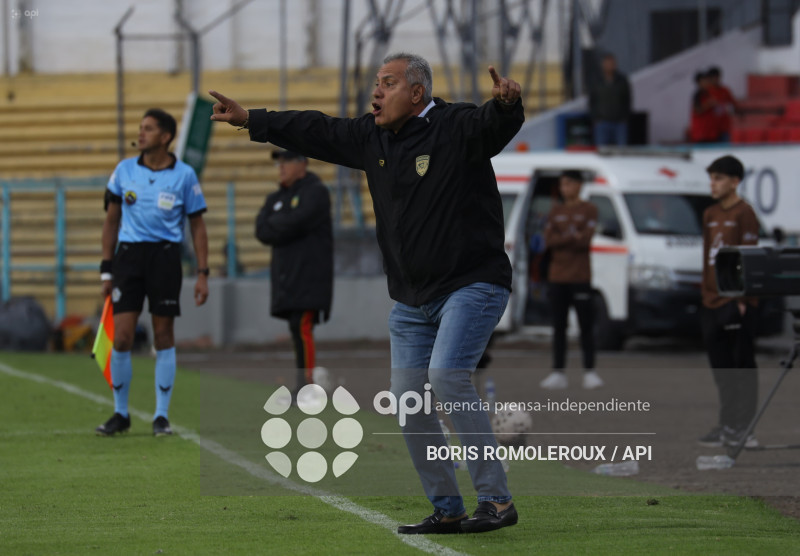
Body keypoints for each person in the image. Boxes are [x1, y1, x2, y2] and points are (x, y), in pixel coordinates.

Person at [209, 52, 522, 534]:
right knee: (407, 400)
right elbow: (316, 129)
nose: (376, 91)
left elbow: (492, 126)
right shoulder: (371, 137)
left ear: (416, 93)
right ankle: (448, 507)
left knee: (446, 377)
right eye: (377, 82)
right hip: (412, 301)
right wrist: (252, 119)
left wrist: (505, 105)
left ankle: (497, 501)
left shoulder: (455, 125)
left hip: (471, 284)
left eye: (388, 82)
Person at [96, 108, 209, 437]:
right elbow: (111, 222)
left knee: (163, 336)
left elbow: (198, 226)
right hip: (129, 258)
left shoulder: (184, 175)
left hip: (164, 257)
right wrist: (106, 270)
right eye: (140, 128)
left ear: (166, 136)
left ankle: (161, 416)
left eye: (148, 128)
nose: (141, 133)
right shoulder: (124, 170)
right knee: (122, 337)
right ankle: (120, 413)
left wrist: (203, 273)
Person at [255, 149, 333, 398]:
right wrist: (284, 222)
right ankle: (303, 383)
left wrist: (278, 222)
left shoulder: (316, 192)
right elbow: (261, 230)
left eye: (286, 161)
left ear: (302, 163)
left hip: (309, 276)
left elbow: (297, 221)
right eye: (279, 162)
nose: (281, 166)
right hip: (286, 276)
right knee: (296, 327)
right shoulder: (276, 197)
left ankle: (306, 386)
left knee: (301, 326)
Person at [697, 155, 759, 449]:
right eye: (711, 178)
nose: (713, 184)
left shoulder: (745, 213)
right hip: (711, 300)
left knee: (741, 366)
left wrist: (742, 298)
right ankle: (726, 424)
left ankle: (744, 428)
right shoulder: (710, 213)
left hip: (735, 302)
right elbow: (707, 257)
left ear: (735, 182)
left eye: (719, 178)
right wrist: (705, 291)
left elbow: (749, 257)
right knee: (721, 369)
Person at [539, 170, 603, 390]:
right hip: (557, 276)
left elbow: (585, 240)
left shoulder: (589, 209)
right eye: (562, 184)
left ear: (579, 185)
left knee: (586, 326)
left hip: (580, 276)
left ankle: (590, 372)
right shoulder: (555, 211)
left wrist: (564, 237)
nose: (564, 188)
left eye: (568, 184)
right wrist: (571, 236)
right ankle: (558, 372)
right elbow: (549, 240)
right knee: (559, 326)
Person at [588, 53, 631, 146]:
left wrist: (625, 118)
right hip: (602, 123)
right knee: (602, 150)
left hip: (619, 123)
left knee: (621, 150)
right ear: (603, 65)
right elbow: (592, 101)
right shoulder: (596, 81)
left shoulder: (622, 80)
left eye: (611, 64)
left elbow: (627, 100)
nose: (609, 66)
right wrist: (595, 118)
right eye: (607, 64)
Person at [707, 66, 738, 142]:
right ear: (710, 78)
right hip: (711, 129)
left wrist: (730, 108)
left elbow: (734, 105)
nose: (716, 79)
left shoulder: (725, 90)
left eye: (717, 77)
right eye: (713, 77)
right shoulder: (707, 91)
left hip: (724, 127)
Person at [689, 70, 719, 143]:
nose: (707, 83)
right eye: (704, 81)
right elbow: (698, 110)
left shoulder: (709, 94)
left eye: (707, 81)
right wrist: (709, 104)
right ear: (699, 83)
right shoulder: (697, 95)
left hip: (710, 133)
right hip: (701, 135)